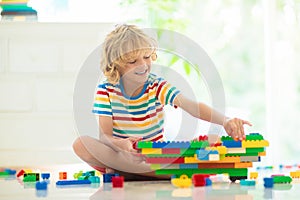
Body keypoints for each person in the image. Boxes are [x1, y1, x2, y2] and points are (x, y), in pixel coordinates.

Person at [72, 24, 252, 180]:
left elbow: (192, 106)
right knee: (81, 144)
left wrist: (226, 120)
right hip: (123, 155)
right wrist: (122, 144)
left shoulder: (156, 85)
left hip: (155, 156)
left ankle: (132, 174)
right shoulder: (106, 90)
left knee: (213, 140)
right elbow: (105, 137)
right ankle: (152, 172)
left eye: (147, 57)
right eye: (133, 61)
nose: (143, 65)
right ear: (116, 64)